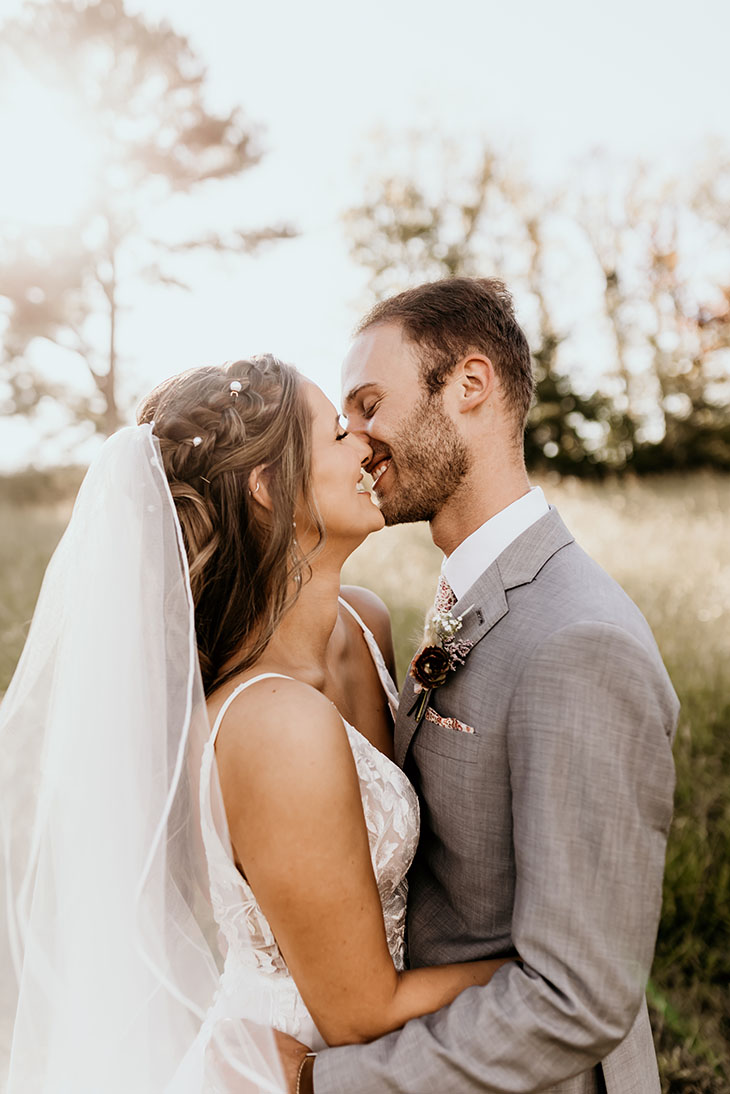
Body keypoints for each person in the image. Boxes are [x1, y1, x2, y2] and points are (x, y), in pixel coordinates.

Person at [0, 354, 509, 1093]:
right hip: (289, 1065)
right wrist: (549, 965)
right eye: (338, 433)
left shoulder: (364, 625)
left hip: (402, 1053)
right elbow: (361, 1015)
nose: (367, 444)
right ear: (269, 488)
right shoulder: (271, 726)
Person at [278, 278, 679, 1094]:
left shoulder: (579, 643)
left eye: (368, 403)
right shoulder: (468, 593)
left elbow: (577, 999)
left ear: (468, 385)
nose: (356, 439)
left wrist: (327, 1083)